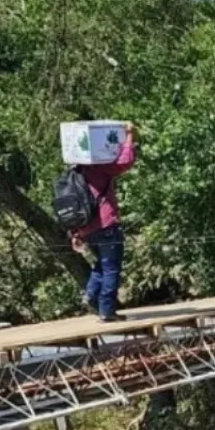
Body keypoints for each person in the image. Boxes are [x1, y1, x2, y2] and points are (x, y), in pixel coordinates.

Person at [70, 123, 138, 322]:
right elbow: (125, 161)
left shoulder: (75, 171)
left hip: (87, 228)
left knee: (102, 263)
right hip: (106, 224)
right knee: (111, 268)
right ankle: (107, 311)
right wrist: (129, 136)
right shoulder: (98, 166)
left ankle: (91, 294)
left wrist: (75, 233)